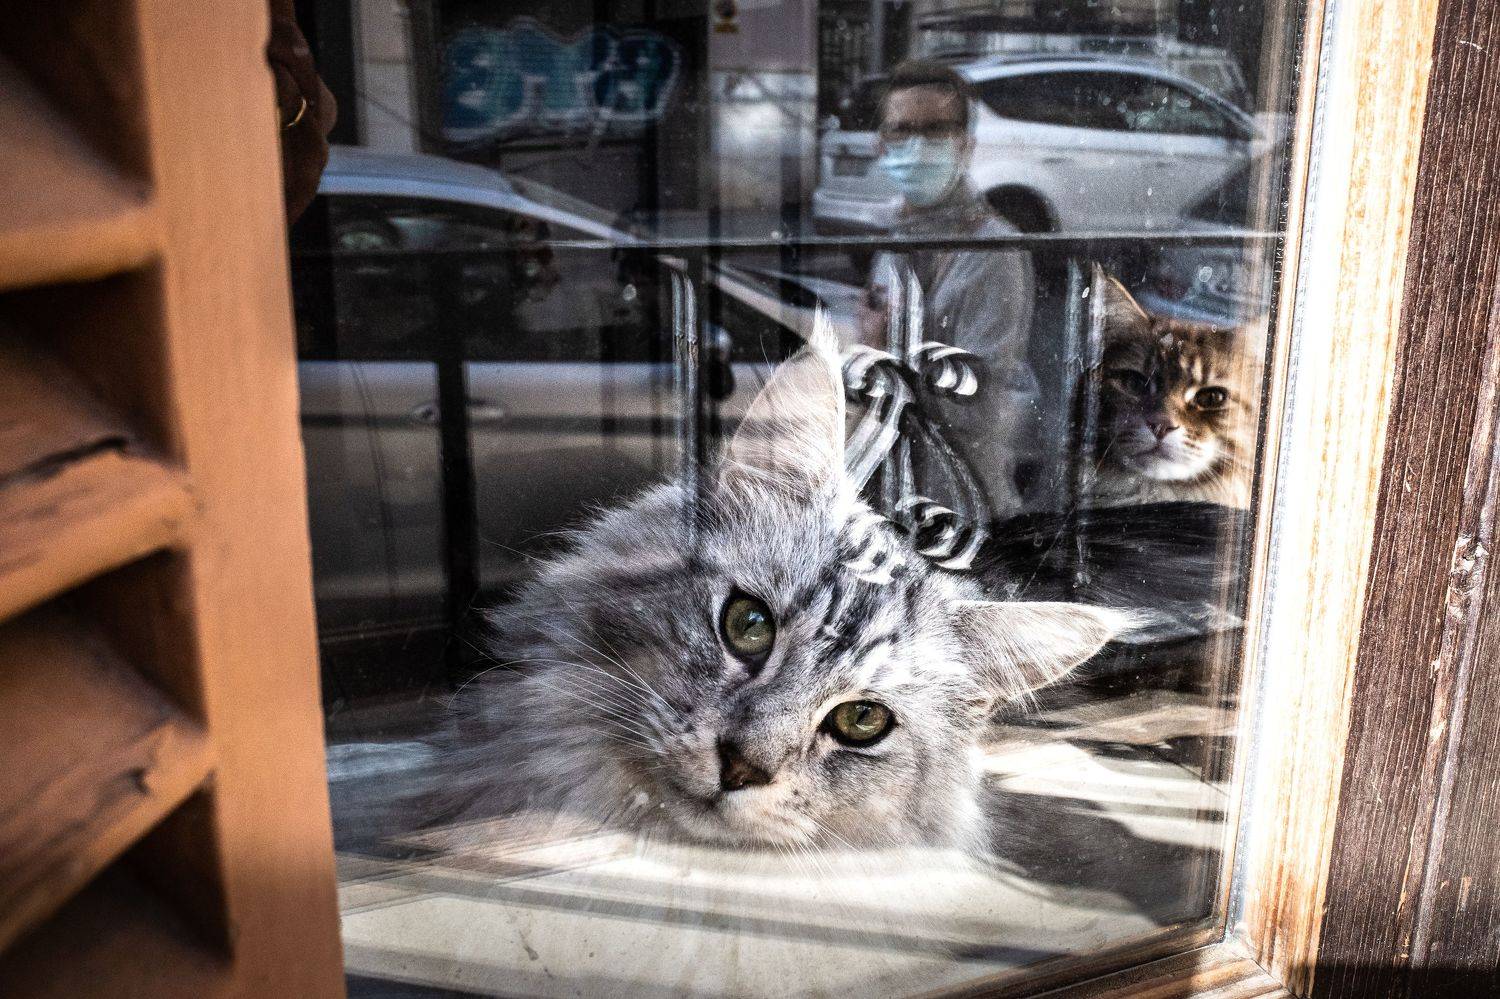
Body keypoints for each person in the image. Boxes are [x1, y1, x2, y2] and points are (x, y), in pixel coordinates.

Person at [858, 60, 1039, 519]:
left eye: (936, 130)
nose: (918, 146)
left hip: (962, 506)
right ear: (881, 145)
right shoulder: (896, 241)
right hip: (897, 500)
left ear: (965, 146)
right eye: (902, 130)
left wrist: (879, 354)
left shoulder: (993, 250)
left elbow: (977, 402)